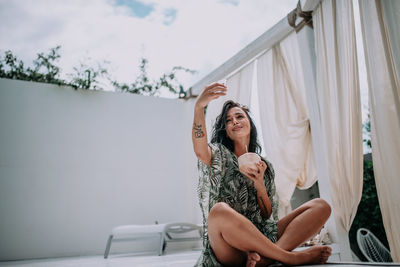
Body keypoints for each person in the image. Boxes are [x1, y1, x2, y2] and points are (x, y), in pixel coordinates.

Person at [192, 82, 332, 267]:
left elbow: (267, 215)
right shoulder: (219, 154)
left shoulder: (264, 165)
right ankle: (288, 257)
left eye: (239, 116)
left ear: (249, 123)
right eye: (228, 120)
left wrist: (259, 184)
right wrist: (199, 107)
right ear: (225, 130)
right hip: (228, 246)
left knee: (320, 206)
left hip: (262, 238)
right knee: (218, 211)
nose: (234, 121)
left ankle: (265, 260)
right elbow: (201, 150)